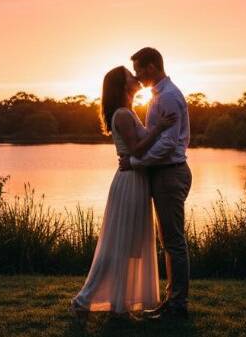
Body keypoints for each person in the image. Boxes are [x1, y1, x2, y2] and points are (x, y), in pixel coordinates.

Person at [70, 65, 176, 318]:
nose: (135, 78)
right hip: (129, 181)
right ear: (122, 85)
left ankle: (121, 303)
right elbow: (137, 150)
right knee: (120, 243)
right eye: (130, 76)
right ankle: (83, 301)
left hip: (136, 179)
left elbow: (138, 149)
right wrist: (159, 128)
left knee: (131, 245)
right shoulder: (123, 115)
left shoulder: (128, 112)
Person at [119, 46, 192, 320]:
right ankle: (172, 300)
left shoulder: (169, 97)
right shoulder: (157, 96)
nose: (138, 76)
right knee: (169, 241)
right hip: (163, 172)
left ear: (151, 66)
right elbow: (156, 136)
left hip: (170, 173)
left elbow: (167, 144)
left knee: (174, 242)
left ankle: (178, 305)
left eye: (139, 70)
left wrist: (135, 163)